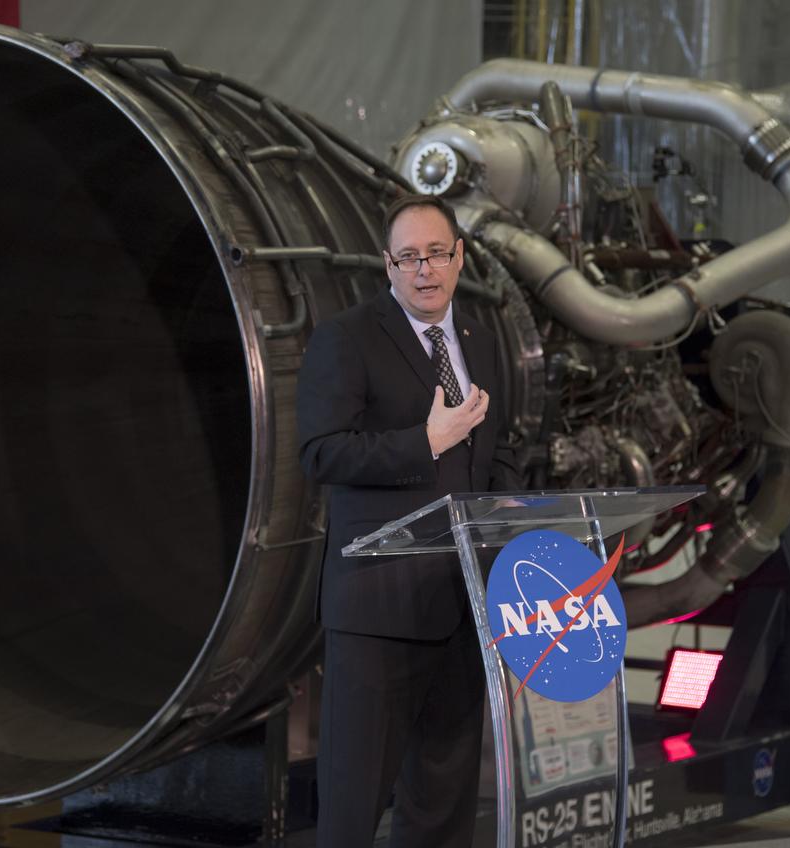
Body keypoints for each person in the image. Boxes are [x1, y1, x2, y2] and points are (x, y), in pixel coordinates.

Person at [296, 194, 521, 848]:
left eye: (437, 254)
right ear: (387, 265)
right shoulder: (348, 337)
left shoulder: (480, 338)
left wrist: (502, 511)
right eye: (409, 258)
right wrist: (425, 441)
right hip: (376, 616)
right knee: (351, 809)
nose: (425, 270)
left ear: (460, 257)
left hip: (461, 606)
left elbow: (501, 445)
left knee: (443, 806)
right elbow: (320, 451)